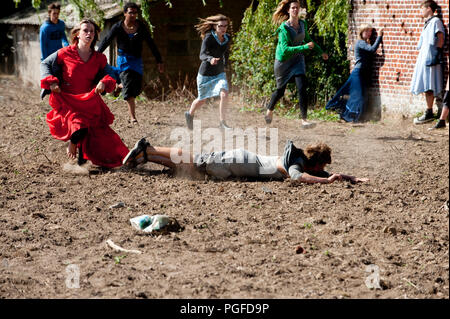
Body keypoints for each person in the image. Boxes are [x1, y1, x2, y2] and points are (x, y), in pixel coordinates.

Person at [40, 19, 129, 168]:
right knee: (80, 126)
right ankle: (73, 142)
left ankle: (82, 165)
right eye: (85, 30)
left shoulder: (99, 58)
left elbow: (111, 75)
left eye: (92, 31)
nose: (89, 33)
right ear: (77, 34)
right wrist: (52, 82)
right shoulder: (65, 52)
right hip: (68, 99)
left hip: (89, 100)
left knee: (96, 134)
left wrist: (104, 82)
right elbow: (45, 64)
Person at [122, 137, 369, 184]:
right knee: (192, 162)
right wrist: (328, 181)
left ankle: (148, 154)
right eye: (323, 167)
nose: (324, 170)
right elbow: (300, 177)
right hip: (233, 162)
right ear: (316, 162)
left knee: (191, 163)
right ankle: (149, 149)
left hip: (236, 160)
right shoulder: (295, 165)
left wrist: (351, 177)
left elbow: (324, 173)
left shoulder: (298, 158)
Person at [97, 2, 164, 124]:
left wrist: (159, 60)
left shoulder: (141, 26)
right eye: (130, 12)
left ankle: (119, 85)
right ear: (125, 13)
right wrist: (97, 54)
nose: (133, 15)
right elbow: (107, 40)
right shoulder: (118, 27)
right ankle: (132, 117)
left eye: (135, 13)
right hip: (124, 59)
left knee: (137, 88)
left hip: (136, 61)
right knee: (129, 89)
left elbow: (150, 43)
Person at [264, 0, 328, 128]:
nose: (295, 10)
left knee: (302, 86)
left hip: (298, 59)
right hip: (283, 61)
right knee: (280, 91)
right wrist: (304, 47)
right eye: (293, 8)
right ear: (288, 10)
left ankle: (304, 120)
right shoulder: (284, 29)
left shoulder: (303, 24)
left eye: (297, 8)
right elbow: (285, 50)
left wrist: (321, 52)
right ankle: (269, 110)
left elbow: (309, 40)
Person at [325, 24, 384, 122]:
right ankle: (349, 116)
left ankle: (354, 117)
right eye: (366, 31)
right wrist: (380, 36)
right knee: (358, 96)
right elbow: (372, 49)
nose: (369, 33)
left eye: (370, 31)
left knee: (362, 96)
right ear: (361, 33)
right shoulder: (360, 42)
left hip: (363, 73)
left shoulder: (364, 43)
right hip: (358, 73)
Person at [184, 14, 233, 131]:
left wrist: (225, 65)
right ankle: (189, 114)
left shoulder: (227, 38)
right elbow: (202, 54)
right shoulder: (209, 37)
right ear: (215, 26)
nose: (223, 28)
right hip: (205, 74)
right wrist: (210, 59)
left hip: (219, 72)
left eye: (225, 26)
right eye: (221, 26)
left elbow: (225, 53)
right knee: (202, 100)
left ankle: (222, 123)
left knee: (224, 94)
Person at [411, 0, 445, 125]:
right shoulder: (428, 23)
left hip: (431, 57)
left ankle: (430, 112)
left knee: (429, 85)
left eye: (422, 9)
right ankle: (429, 111)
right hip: (425, 57)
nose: (421, 11)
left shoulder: (435, 22)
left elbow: (440, 38)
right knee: (426, 85)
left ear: (429, 8)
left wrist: (436, 55)